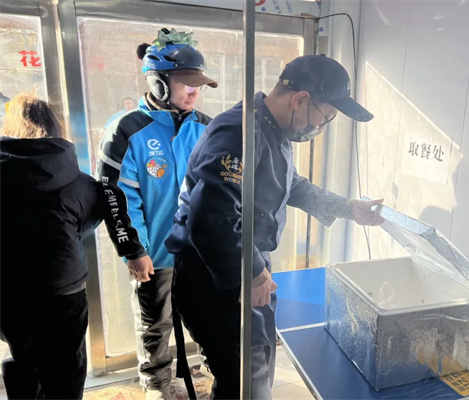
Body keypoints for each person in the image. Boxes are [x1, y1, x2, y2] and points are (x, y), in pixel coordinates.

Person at [165, 54, 384, 399]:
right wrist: (252, 272)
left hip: (242, 263)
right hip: (214, 274)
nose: (321, 128)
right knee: (244, 380)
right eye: (325, 118)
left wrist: (348, 208)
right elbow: (212, 218)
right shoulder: (239, 133)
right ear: (300, 100)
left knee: (256, 366)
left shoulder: (272, 129)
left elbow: (291, 185)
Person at [97, 28, 217, 400]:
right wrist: (133, 250)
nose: (195, 91)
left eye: (199, 85)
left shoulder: (207, 127)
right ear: (159, 82)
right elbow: (116, 195)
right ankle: (158, 386)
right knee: (154, 326)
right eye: (186, 83)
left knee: (210, 320)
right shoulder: (127, 129)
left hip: (200, 254)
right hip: (154, 253)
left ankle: (219, 376)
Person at [0, 93, 106, 399]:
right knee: (66, 369)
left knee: (23, 355)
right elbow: (92, 216)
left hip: (8, 289)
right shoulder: (79, 180)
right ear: (56, 128)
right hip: (63, 286)